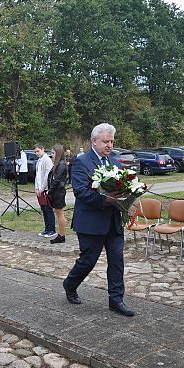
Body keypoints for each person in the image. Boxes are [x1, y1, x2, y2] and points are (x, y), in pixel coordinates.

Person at [62, 123, 134, 316]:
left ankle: (116, 300)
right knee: (88, 260)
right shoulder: (81, 162)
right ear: (94, 141)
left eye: (111, 141)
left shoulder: (116, 162)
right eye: (105, 141)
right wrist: (106, 200)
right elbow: (81, 192)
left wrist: (129, 197)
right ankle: (70, 283)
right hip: (91, 221)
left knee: (117, 260)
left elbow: (122, 188)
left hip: (113, 221)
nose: (109, 145)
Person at [34, 144, 56, 238]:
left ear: (42, 149)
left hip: (45, 189)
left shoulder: (47, 160)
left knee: (48, 209)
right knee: (44, 209)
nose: (36, 153)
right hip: (39, 189)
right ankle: (47, 228)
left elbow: (47, 176)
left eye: (38, 151)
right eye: (35, 152)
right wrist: (36, 187)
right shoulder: (39, 161)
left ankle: (52, 229)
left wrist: (42, 188)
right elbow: (37, 175)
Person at [48, 145, 68, 244]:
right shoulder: (59, 164)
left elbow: (57, 179)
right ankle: (61, 234)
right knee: (59, 213)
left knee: (60, 213)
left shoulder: (61, 164)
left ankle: (61, 235)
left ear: (58, 153)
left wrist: (50, 191)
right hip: (57, 190)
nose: (51, 155)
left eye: (53, 153)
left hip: (58, 191)